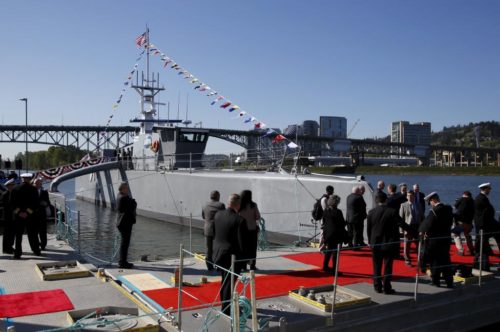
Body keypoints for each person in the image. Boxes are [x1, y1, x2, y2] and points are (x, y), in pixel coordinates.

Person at [213, 194, 246, 316]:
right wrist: (245, 260)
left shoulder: (218, 214)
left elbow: (215, 233)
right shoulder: (239, 220)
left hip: (218, 253)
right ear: (238, 205)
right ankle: (226, 310)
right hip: (231, 256)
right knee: (229, 283)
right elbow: (241, 242)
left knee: (224, 281)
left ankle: (225, 305)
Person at [367, 192, 406, 294]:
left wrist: (371, 242)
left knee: (377, 266)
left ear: (376, 200)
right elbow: (402, 224)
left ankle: (377, 286)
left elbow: (369, 229)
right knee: (388, 266)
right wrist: (416, 233)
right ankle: (387, 287)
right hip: (389, 243)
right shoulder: (392, 211)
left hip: (375, 244)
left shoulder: (371, 212)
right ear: (386, 200)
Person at [419, 192, 454, 288]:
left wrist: (420, 232)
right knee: (446, 260)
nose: (430, 204)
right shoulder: (448, 209)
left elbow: (426, 226)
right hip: (446, 239)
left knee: (435, 262)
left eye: (430, 202)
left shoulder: (434, 211)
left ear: (433, 200)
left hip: (435, 241)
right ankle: (449, 281)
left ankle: (436, 281)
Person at [11, 173, 40, 258]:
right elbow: (36, 204)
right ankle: (36, 250)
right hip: (30, 216)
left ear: (21, 178)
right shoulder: (33, 189)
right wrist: (27, 212)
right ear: (29, 179)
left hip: (18, 216)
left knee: (18, 235)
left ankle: (17, 253)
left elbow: (12, 204)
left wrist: (19, 212)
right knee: (32, 234)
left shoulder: (15, 189)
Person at [473, 183, 500, 259]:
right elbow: (485, 214)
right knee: (484, 240)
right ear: (485, 189)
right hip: (484, 225)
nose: (490, 190)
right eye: (489, 189)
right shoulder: (481, 199)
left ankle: (487, 252)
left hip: (485, 224)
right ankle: (483, 255)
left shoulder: (482, 198)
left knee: (483, 240)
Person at [321, 195, 347, 274]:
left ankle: (325, 266)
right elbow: (342, 223)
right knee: (336, 252)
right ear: (336, 202)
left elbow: (324, 222)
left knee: (329, 251)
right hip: (336, 234)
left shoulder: (326, 210)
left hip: (328, 233)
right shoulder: (338, 211)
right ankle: (334, 270)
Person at [202, 190, 225, 271]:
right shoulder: (221, 205)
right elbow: (223, 216)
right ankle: (219, 266)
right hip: (217, 230)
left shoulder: (205, 205)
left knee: (208, 249)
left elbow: (203, 216)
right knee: (218, 248)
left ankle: (209, 266)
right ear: (218, 196)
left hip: (207, 229)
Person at [399, 191, 424, 265]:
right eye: (408, 196)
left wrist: (423, 228)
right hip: (408, 227)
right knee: (407, 244)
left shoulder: (419, 205)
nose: (409, 197)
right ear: (406, 196)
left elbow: (422, 217)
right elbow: (401, 219)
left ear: (414, 196)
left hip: (417, 226)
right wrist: (401, 230)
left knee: (419, 244)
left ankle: (420, 259)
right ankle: (407, 259)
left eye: (411, 196)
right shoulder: (403, 205)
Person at [239, 190, 261, 270]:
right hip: (252, 229)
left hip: (242, 230)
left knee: (243, 248)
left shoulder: (239, 206)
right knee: (252, 248)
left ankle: (243, 266)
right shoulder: (253, 205)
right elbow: (258, 216)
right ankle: (252, 265)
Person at [116, 182, 137, 269]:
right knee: (125, 244)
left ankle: (123, 261)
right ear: (122, 189)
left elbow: (131, 203)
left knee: (125, 243)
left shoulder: (120, 196)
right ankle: (122, 262)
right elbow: (133, 205)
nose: (128, 189)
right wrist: (133, 202)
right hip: (125, 223)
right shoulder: (123, 198)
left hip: (123, 222)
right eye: (126, 188)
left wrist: (132, 202)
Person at [452, 191, 475, 256]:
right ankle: (471, 249)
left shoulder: (462, 199)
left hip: (461, 222)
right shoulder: (473, 201)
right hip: (469, 223)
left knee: (455, 234)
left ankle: (460, 250)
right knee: (467, 235)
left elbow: (455, 206)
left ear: (464, 195)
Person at [34, 178, 51, 251]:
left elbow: (48, 202)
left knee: (43, 231)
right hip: (33, 215)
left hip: (42, 215)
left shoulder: (44, 192)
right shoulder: (31, 192)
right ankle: (37, 244)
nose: (36, 184)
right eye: (35, 183)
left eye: (38, 183)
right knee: (34, 231)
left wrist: (46, 203)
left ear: (41, 184)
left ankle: (43, 245)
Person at [2, 179, 16, 254]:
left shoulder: (14, 193)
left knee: (12, 233)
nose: (13, 186)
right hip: (7, 216)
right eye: (11, 185)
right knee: (7, 233)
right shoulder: (5, 194)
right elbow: (6, 206)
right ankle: (6, 248)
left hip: (13, 216)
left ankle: (10, 246)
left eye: (13, 185)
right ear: (8, 186)